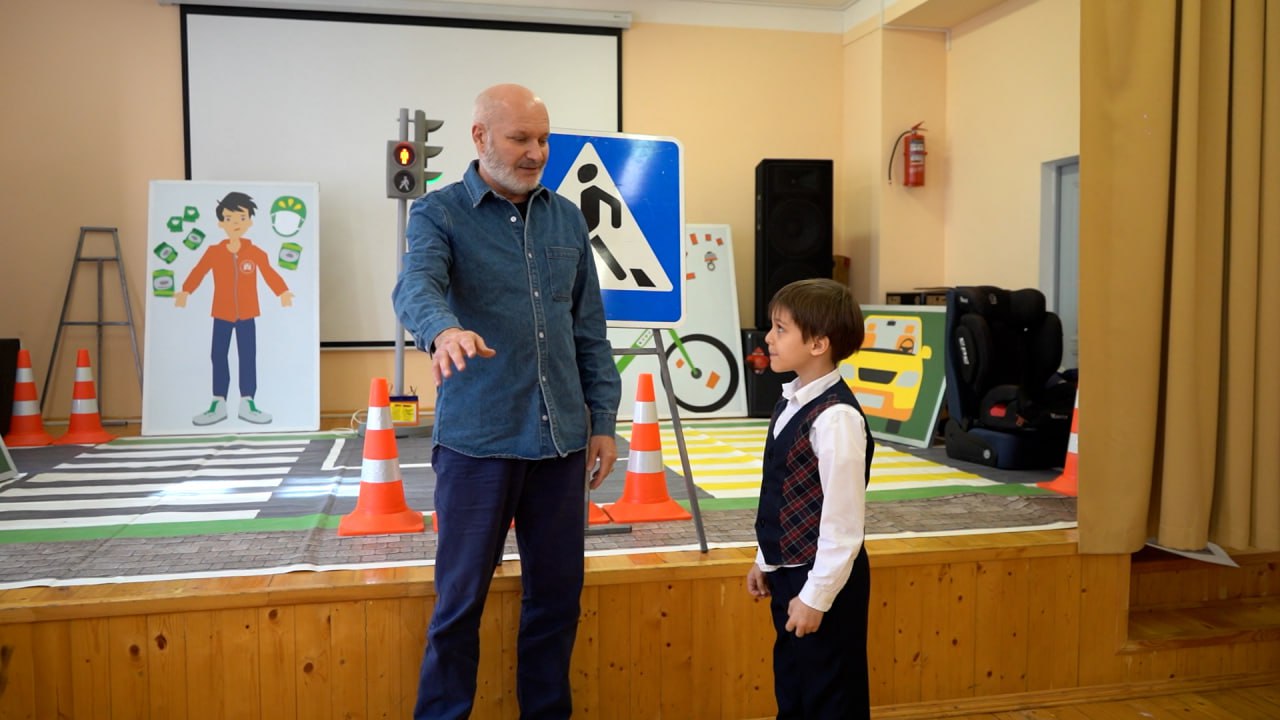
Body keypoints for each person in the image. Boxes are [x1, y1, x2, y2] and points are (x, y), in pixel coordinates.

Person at [392, 83, 621, 720]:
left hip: (561, 444)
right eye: (521, 138)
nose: (536, 152)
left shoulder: (567, 218)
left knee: (557, 603)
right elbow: (415, 286)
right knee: (459, 606)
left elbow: (589, 332)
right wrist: (444, 330)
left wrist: (603, 420)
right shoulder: (439, 214)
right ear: (480, 137)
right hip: (478, 443)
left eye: (543, 139)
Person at [746, 278, 873, 719]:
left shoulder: (836, 419)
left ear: (818, 344)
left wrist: (816, 596)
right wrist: (765, 560)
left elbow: (843, 525)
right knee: (794, 687)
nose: (769, 338)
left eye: (781, 329)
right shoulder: (791, 402)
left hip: (823, 578)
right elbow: (784, 493)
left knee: (830, 696)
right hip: (790, 573)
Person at [176, 191, 293, 426]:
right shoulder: (214, 252)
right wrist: (186, 291)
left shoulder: (256, 253)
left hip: (247, 314)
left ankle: (247, 402)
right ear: (221, 223)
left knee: (247, 356)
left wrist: (282, 292)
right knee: (218, 355)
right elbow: (199, 271)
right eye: (229, 218)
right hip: (221, 313)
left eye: (241, 218)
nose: (235, 223)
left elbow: (269, 273)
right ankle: (218, 402)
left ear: (249, 221)